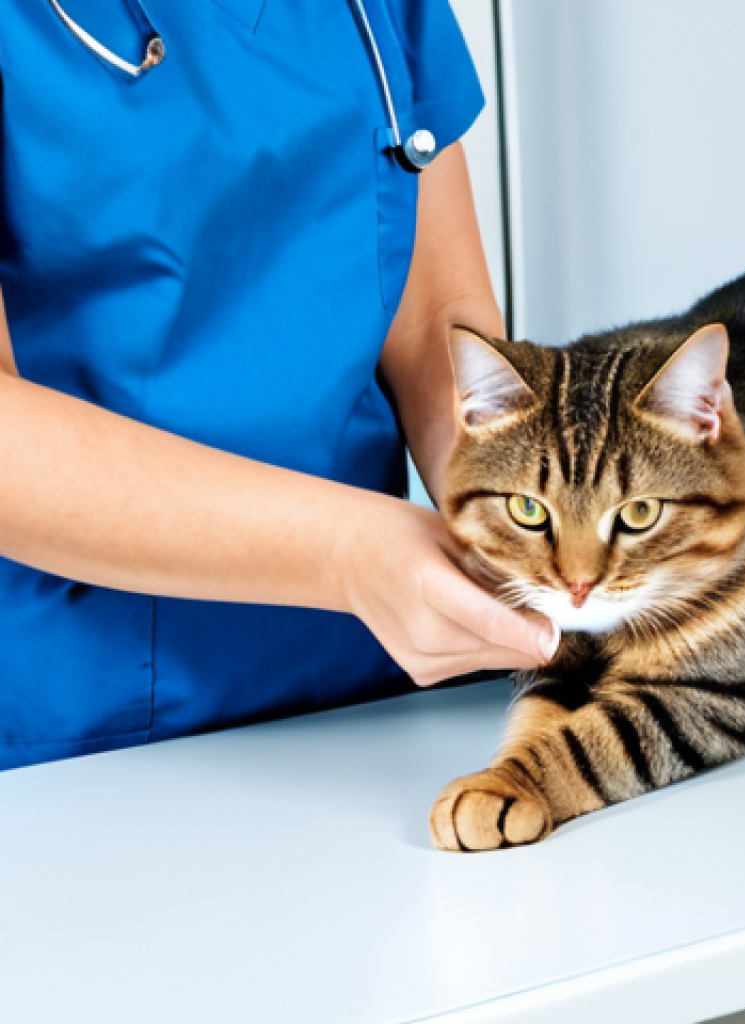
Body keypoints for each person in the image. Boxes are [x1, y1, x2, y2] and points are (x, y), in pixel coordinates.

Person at [0, 0, 558, 771]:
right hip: (83, 732)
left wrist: (541, 516)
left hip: (376, 692)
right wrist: (350, 554)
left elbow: (437, 314)